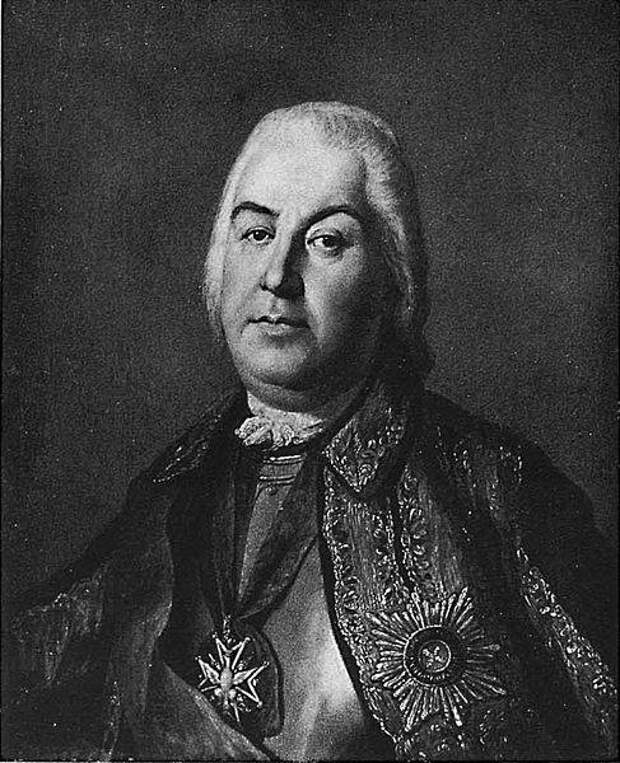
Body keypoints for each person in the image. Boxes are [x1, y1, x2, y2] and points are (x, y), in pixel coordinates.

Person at [4, 102, 617, 761]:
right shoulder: (165, 494)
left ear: (392, 280)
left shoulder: (497, 488)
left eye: (325, 241)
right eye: (256, 233)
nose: (277, 276)